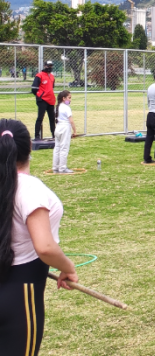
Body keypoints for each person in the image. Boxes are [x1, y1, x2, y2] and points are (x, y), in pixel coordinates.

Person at [0, 119, 78, 356]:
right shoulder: (30, 189)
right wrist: (68, 267)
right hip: (20, 295)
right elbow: (44, 247)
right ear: (30, 148)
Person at [30, 60, 56, 140]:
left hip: (51, 100)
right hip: (42, 100)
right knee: (40, 118)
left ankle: (54, 135)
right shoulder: (39, 75)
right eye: (48, 66)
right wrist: (39, 95)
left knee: (52, 118)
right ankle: (37, 136)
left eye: (51, 66)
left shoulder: (52, 76)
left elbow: (52, 87)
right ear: (45, 66)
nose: (50, 67)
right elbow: (34, 88)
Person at [52, 91, 76, 173]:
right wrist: (75, 130)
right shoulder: (66, 108)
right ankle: (62, 168)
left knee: (57, 148)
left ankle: (55, 167)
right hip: (64, 128)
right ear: (64, 98)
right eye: (69, 98)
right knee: (64, 148)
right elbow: (71, 121)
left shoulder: (57, 107)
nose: (70, 100)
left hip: (58, 128)